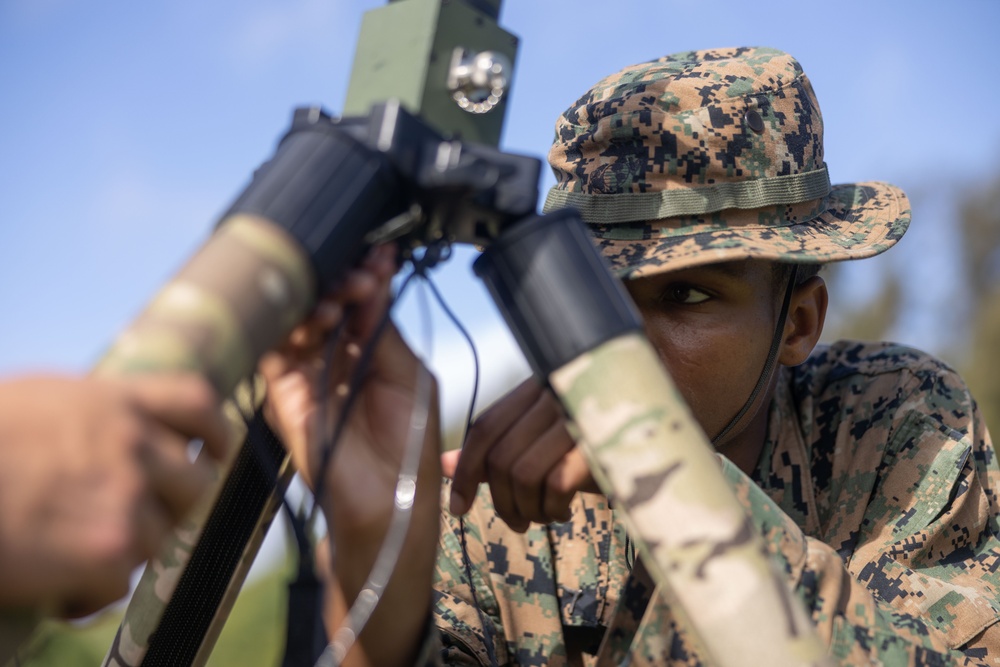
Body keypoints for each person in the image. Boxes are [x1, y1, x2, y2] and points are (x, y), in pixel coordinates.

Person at [269, 47, 1000, 665]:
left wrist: (672, 484)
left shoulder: (897, 427)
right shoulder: (486, 508)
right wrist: (373, 551)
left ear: (797, 323)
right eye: (595, 294)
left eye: (686, 297)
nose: (622, 344)